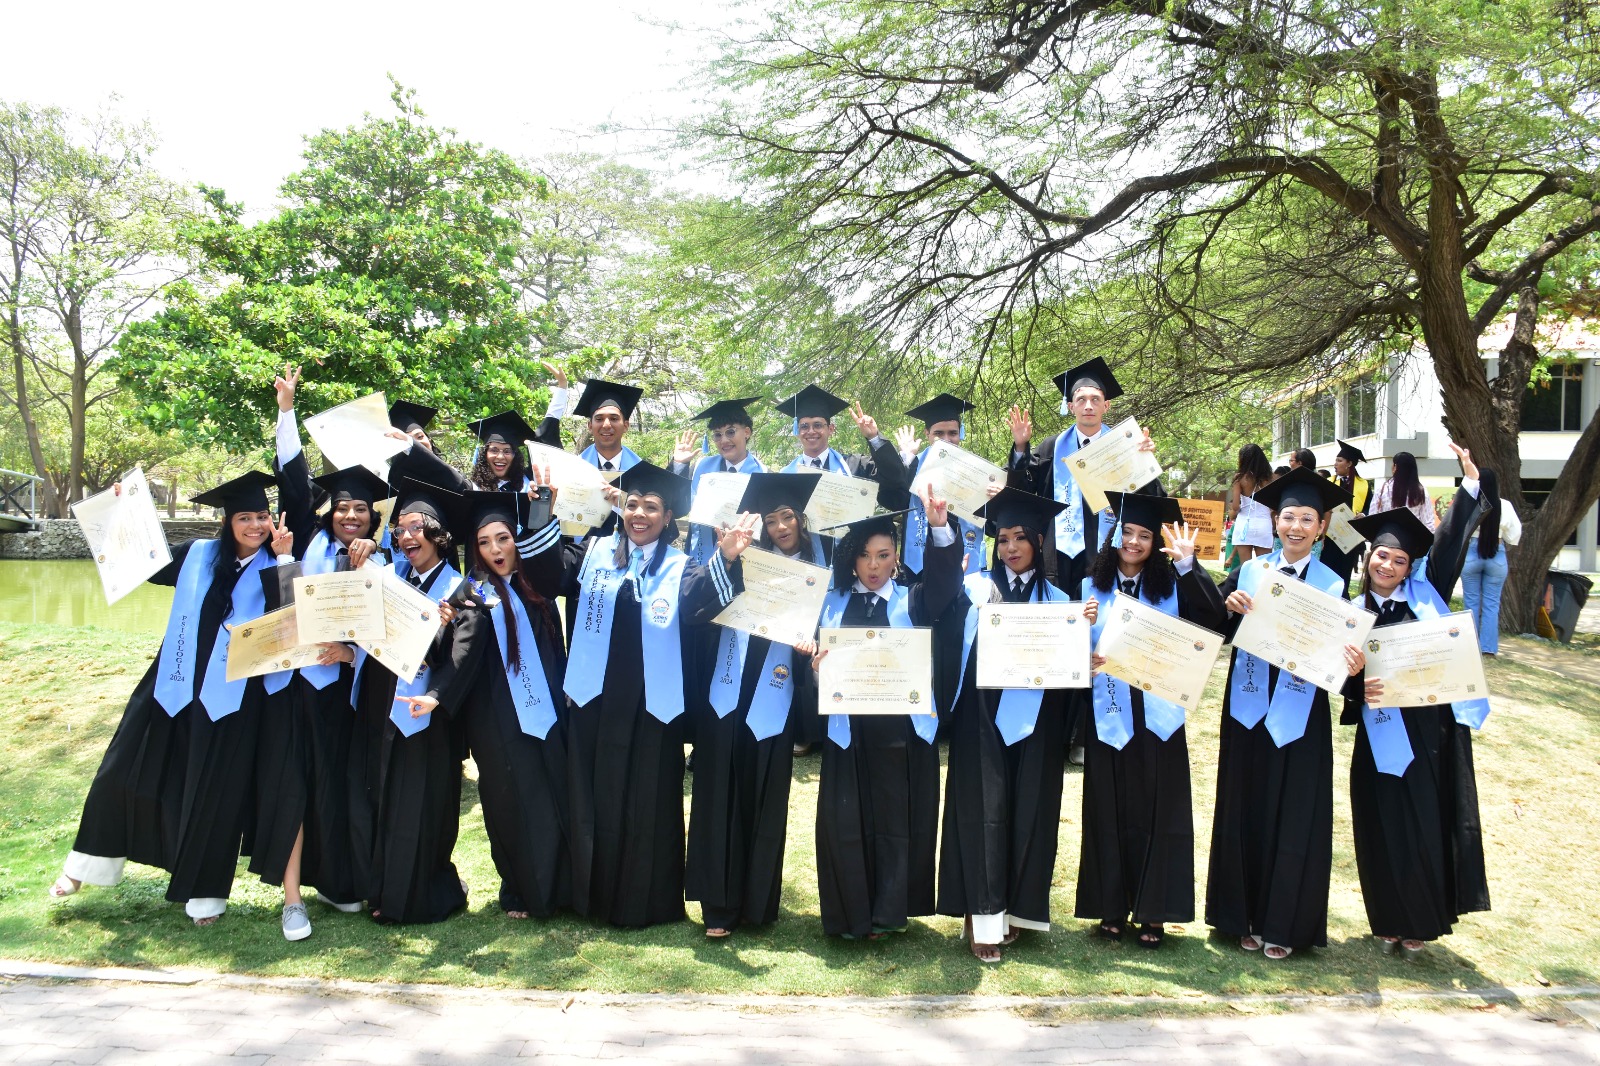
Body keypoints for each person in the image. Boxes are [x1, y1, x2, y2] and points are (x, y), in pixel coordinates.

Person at [50, 470, 282, 927]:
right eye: (244, 517)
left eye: (262, 516)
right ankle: (84, 866)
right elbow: (137, 560)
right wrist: (121, 509)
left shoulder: (279, 565)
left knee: (216, 792)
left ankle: (205, 895)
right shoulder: (195, 556)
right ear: (226, 521)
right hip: (171, 683)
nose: (255, 525)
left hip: (233, 697)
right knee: (121, 769)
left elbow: (290, 616)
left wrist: (286, 557)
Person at [561, 461, 752, 928]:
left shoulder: (681, 565)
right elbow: (551, 575)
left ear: (669, 517)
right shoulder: (595, 553)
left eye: (651, 507)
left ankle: (646, 902)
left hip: (653, 704)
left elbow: (697, 607)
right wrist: (544, 509)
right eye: (632, 504)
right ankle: (591, 895)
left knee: (650, 799)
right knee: (595, 794)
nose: (639, 514)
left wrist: (725, 557)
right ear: (621, 509)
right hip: (596, 700)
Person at [1206, 467, 1363, 960]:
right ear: (1275, 522)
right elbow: (1216, 626)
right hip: (1249, 709)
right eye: (1288, 517)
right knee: (1247, 804)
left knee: (1295, 813)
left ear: (1321, 527)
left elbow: (1344, 661)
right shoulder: (1250, 572)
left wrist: (1353, 663)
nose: (1296, 527)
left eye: (1307, 519)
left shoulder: (1335, 586)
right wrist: (1228, 607)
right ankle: (1243, 916)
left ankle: (1284, 923)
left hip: (1300, 712)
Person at [1344, 446, 1492, 959]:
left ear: (1409, 567)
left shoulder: (1425, 598)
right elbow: (1337, 683)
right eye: (1381, 555)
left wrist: (1470, 487)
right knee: (1379, 822)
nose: (1387, 563)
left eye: (1399, 558)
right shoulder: (1352, 612)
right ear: (1369, 558)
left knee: (1423, 824)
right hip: (1378, 732)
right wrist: (1356, 680)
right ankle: (1386, 919)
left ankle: (1420, 922)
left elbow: (1449, 544)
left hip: (1427, 732)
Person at [251, 367, 383, 941]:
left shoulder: (372, 557)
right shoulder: (303, 540)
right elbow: (293, 483)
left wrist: (351, 656)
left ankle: (337, 880)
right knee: (292, 787)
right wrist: (287, 411)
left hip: (341, 694)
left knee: (336, 784)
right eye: (342, 509)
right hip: (290, 687)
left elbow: (382, 629)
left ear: (372, 518)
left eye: (360, 511)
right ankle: (291, 899)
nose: (349, 515)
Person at [808, 488, 962, 940]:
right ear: (851, 559)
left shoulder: (914, 600)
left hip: (902, 735)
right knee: (846, 824)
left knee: (896, 824)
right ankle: (850, 915)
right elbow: (812, 667)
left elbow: (946, 582)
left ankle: (889, 911)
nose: (873, 566)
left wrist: (939, 528)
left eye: (883, 555)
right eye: (864, 556)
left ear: (896, 557)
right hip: (848, 733)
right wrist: (815, 667)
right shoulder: (831, 603)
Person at [936, 488, 1081, 962]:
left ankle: (1018, 910)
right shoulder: (974, 590)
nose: (1011, 548)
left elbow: (1071, 671)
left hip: (1036, 718)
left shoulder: (1061, 601)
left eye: (1021, 538)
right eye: (1002, 540)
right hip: (980, 718)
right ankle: (983, 918)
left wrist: (1082, 644)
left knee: (1028, 811)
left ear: (1039, 542)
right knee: (983, 812)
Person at [1078, 493, 1226, 950]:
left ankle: (1153, 913)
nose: (1135, 542)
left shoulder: (1174, 586)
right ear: (1115, 537)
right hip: (1111, 712)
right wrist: (1080, 637)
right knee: (1108, 806)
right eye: (1128, 534)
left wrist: (1188, 565)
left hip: (1158, 715)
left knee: (1158, 810)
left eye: (1144, 536)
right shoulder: (1090, 589)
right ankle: (1110, 907)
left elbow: (1215, 619)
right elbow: (1071, 655)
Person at [687, 473, 823, 938]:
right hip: (730, 685)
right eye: (772, 519)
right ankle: (719, 908)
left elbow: (824, 635)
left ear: (801, 520)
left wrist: (813, 646)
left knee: (765, 796)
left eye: (788, 516)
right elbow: (698, 610)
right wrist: (729, 556)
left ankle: (757, 905)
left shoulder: (816, 571)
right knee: (721, 792)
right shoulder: (744, 559)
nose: (781, 526)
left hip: (776, 692)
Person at [1006, 357, 1159, 765]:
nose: (1088, 405)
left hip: (1102, 559)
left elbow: (1149, 503)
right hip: (1057, 558)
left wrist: (1146, 463)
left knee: (1098, 641)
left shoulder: (1125, 446)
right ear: (1070, 406)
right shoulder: (1049, 447)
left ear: (1106, 406)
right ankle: (1055, 728)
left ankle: (1084, 734)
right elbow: (1023, 494)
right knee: (1060, 639)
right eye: (1080, 399)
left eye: (1095, 399)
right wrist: (1020, 448)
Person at [348, 478, 479, 924]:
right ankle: (381, 890)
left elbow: (463, 656)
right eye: (400, 530)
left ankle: (421, 896)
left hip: (427, 712)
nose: (406, 537)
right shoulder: (389, 578)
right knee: (383, 796)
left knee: (424, 805)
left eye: (416, 528)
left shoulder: (461, 589)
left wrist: (436, 693)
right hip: (382, 704)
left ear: (438, 536)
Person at [458, 487, 572, 919]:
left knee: (552, 792)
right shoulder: (473, 589)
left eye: (502, 538)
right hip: (497, 717)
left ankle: (561, 885)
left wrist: (542, 505)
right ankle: (518, 889)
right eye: (485, 542)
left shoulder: (537, 584)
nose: (495, 550)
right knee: (508, 800)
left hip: (547, 710)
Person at [893, 393, 986, 578]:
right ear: (927, 433)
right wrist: (906, 460)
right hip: (920, 569)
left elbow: (990, 524)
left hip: (964, 565)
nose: (946, 439)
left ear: (960, 433)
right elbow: (895, 500)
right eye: (938, 433)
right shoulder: (912, 464)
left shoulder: (977, 472)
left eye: (952, 433)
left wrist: (993, 499)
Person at [773, 385, 909, 507]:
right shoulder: (786, 474)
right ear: (798, 431)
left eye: (818, 425)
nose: (811, 431)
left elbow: (894, 477)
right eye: (804, 426)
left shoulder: (854, 466)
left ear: (831, 429)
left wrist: (873, 437)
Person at [670, 396, 767, 567]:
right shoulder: (700, 469)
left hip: (743, 563)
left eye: (731, 432)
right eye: (717, 434)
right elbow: (676, 507)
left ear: (746, 432)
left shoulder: (764, 474)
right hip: (701, 564)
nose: (724, 440)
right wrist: (679, 465)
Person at [1459, 466, 1519, 656]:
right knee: (1492, 604)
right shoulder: (1505, 505)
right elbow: (1514, 535)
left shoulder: (1470, 503)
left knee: (1471, 602)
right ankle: (1488, 648)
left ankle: (1470, 646)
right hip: (1497, 553)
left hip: (1471, 554)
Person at [1318, 439, 1373, 591]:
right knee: (1326, 572)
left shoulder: (1364, 485)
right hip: (1329, 538)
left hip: (1350, 539)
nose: (1335, 464)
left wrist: (1363, 514)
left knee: (1344, 575)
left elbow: (1370, 508)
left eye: (1339, 460)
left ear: (1349, 463)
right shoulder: (1329, 482)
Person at [1229, 444, 1275, 562]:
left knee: (1245, 567)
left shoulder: (1239, 478)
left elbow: (1235, 506)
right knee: (1264, 566)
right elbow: (1274, 505)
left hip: (1244, 524)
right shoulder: (1270, 478)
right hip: (1264, 524)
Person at [1373, 451, 1436, 531]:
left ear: (1395, 467)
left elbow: (1373, 516)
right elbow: (1428, 523)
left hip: (1387, 537)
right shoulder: (1420, 491)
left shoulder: (1383, 489)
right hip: (1412, 538)